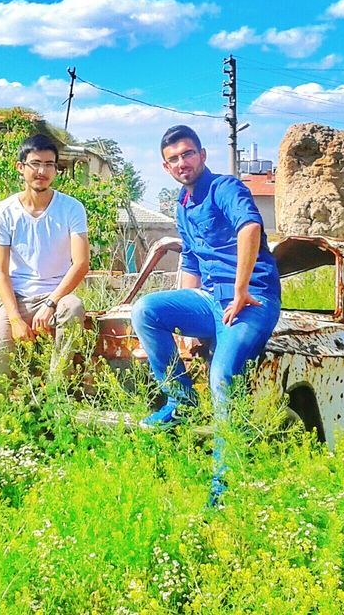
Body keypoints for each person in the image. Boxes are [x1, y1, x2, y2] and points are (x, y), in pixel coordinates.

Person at [130, 124, 281, 505]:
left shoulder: (225, 188)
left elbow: (250, 227)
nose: (182, 163)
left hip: (251, 300)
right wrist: (184, 323)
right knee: (146, 310)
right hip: (211, 299)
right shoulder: (182, 203)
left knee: (222, 375)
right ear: (166, 168)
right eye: (173, 159)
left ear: (202, 155)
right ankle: (181, 402)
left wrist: (243, 287)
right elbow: (192, 260)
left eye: (187, 154)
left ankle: (225, 486)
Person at [0, 133, 90, 424]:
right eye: (35, 164)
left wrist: (51, 303)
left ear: (56, 169)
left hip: (56, 295)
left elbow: (80, 263)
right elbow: (0, 271)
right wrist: (15, 318)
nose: (42, 171)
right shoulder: (5, 211)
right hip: (18, 297)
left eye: (49, 165)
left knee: (74, 308)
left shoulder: (71, 208)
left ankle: (54, 395)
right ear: (21, 167)